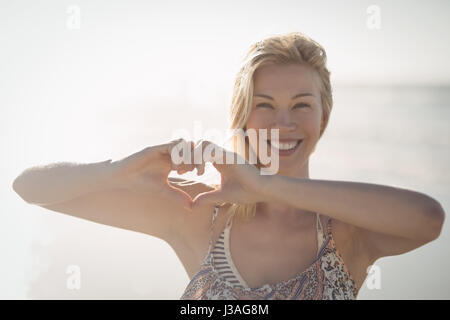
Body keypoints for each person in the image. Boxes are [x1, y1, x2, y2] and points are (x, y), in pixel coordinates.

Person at [12, 32, 445, 300]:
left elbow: (429, 219)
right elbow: (30, 188)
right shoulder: (198, 215)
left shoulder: (347, 231)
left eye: (302, 104)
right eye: (264, 105)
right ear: (241, 117)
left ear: (324, 117)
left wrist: (266, 186)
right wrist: (118, 169)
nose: (284, 122)